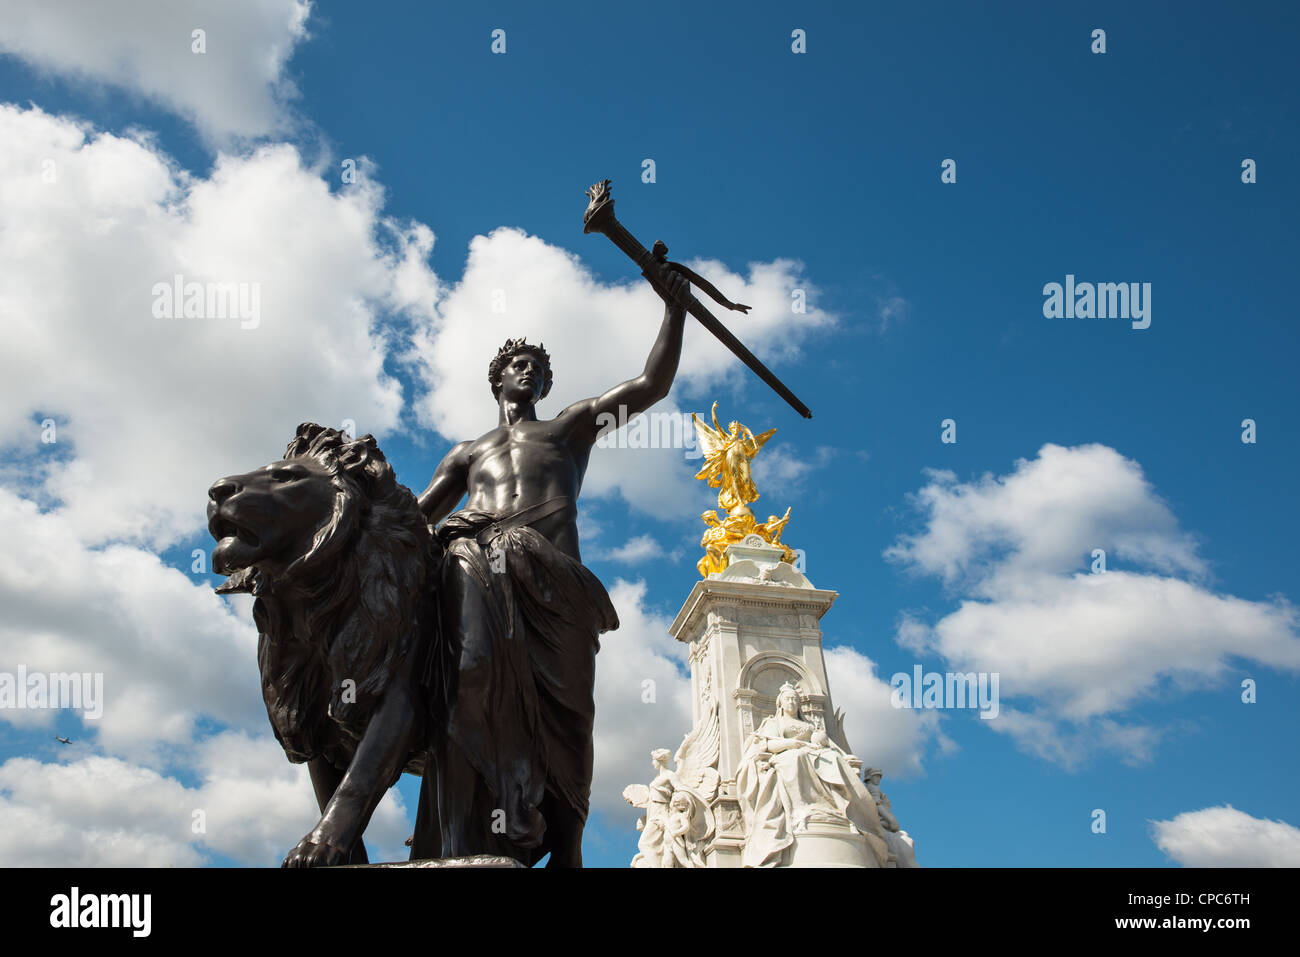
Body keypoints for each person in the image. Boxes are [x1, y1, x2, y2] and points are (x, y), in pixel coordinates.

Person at [413, 269, 691, 867]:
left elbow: (650, 386)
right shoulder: (466, 452)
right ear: (497, 379)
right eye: (517, 363)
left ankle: (569, 845)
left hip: (556, 586)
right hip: (481, 573)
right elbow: (414, 522)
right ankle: (466, 826)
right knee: (469, 680)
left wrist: (674, 311)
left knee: (570, 714)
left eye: (537, 366)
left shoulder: (568, 430)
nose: (528, 370)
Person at [736, 682, 889, 867]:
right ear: (780, 703)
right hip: (787, 755)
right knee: (797, 758)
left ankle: (843, 810)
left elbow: (830, 745)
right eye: (788, 699)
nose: (792, 702)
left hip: (814, 753)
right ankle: (802, 809)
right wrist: (793, 744)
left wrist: (837, 752)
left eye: (795, 699)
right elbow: (769, 745)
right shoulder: (774, 723)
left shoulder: (808, 724)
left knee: (833, 759)